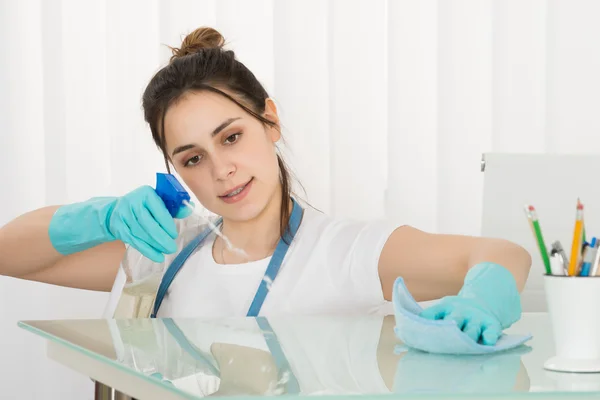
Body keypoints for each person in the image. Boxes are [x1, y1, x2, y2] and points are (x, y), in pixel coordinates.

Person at [0, 27, 531, 346]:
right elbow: (9, 254)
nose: (220, 170)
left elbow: (501, 254)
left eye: (231, 136)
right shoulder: (164, 250)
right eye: (192, 158)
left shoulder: (343, 253)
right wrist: (99, 216)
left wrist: (484, 300)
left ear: (269, 122)